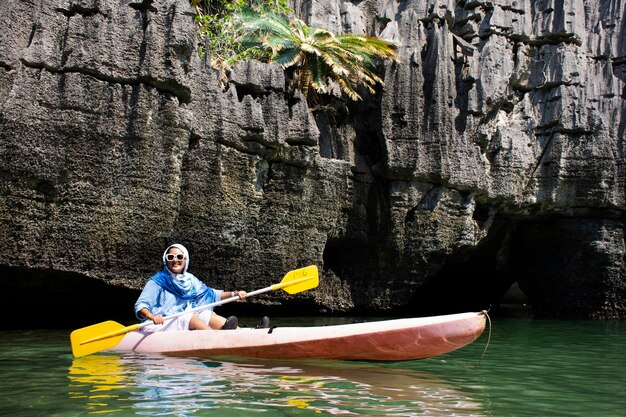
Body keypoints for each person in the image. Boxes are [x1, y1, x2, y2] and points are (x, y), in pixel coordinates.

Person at [135, 243, 268, 331]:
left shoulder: (191, 280)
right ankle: (217, 339)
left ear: (185, 260)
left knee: (207, 314)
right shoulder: (157, 281)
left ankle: (247, 334)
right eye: (171, 257)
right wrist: (152, 316)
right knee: (189, 316)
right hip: (159, 323)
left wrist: (235, 294)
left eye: (179, 256)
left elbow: (211, 294)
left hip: (181, 321)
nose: (175, 260)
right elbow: (141, 306)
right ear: (166, 260)